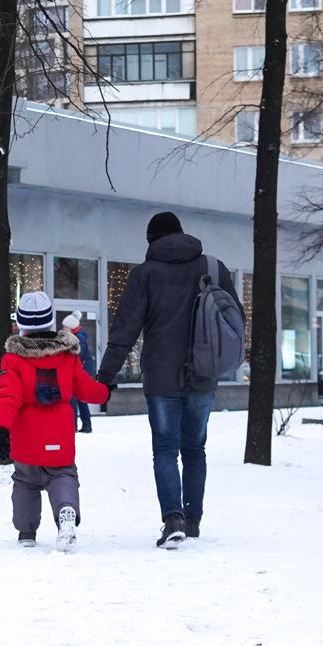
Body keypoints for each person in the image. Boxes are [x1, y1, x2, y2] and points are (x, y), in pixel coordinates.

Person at [98, 211, 240, 549]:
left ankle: (173, 517)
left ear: (152, 241)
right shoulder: (213, 268)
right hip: (203, 373)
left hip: (161, 376)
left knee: (165, 448)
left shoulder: (145, 275)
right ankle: (192, 520)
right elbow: (235, 319)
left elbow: (125, 330)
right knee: (195, 449)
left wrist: (105, 377)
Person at [0, 291, 110, 553]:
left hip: (26, 439)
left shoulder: (13, 359)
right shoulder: (67, 356)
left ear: (21, 325)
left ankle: (26, 531)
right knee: (63, 476)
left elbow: (8, 397)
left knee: (25, 482)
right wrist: (106, 392)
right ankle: (66, 510)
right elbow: (87, 389)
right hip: (60, 436)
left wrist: (0, 430)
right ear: (50, 321)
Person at [65, 312, 100, 434]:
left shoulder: (78, 338)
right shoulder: (79, 336)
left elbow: (78, 355)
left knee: (74, 399)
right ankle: (86, 425)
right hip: (83, 371)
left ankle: (74, 426)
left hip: (81, 372)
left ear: (70, 327)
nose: (63, 329)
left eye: (65, 327)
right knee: (80, 399)